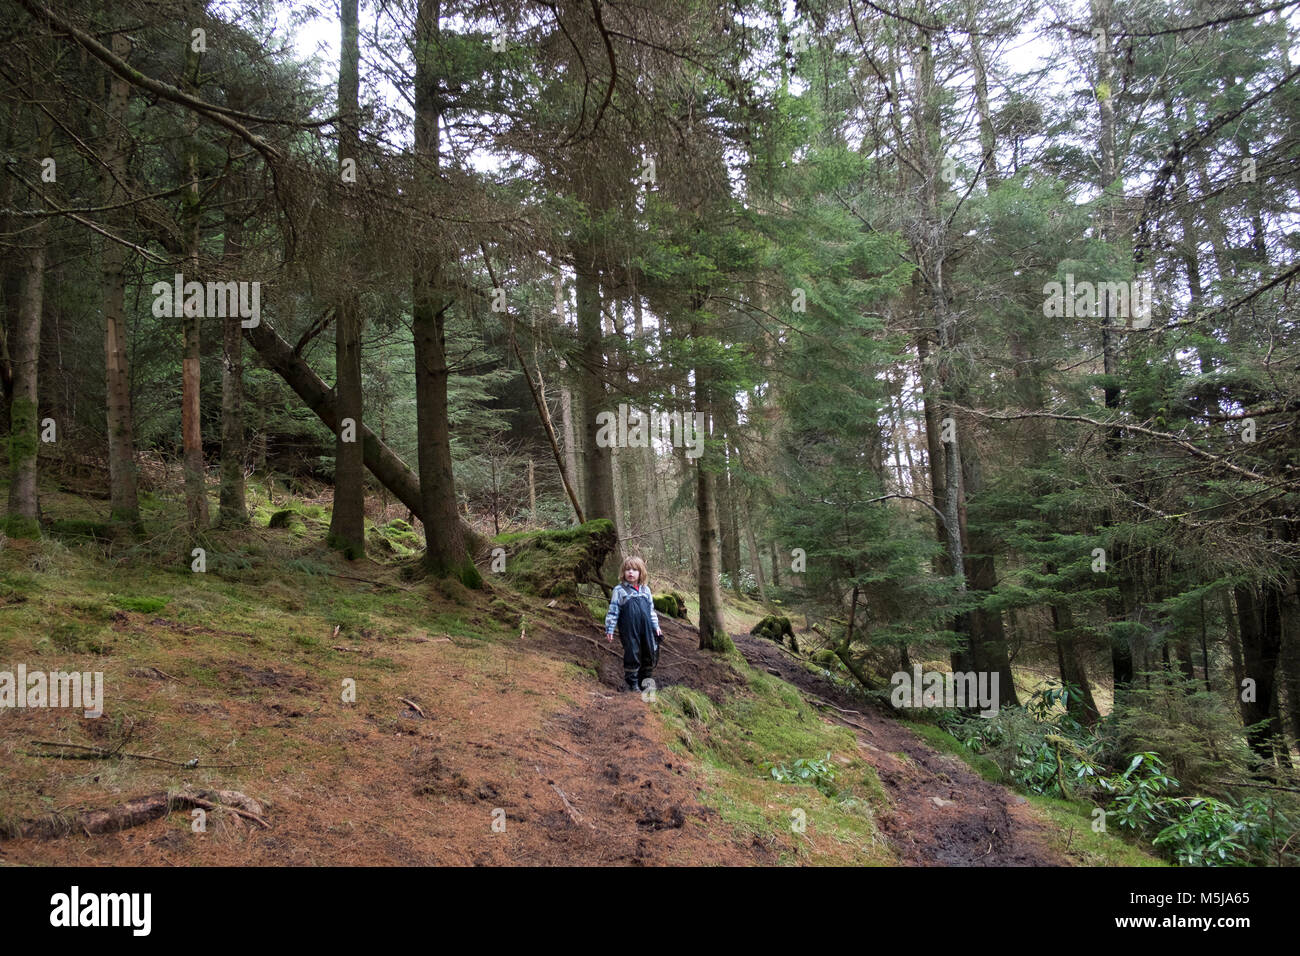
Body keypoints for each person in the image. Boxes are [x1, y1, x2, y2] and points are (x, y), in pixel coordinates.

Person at [604, 556, 663, 693]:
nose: (631, 572)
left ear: (641, 572)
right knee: (632, 653)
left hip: (646, 628)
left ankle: (646, 684)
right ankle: (633, 685)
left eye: (635, 570)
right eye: (627, 570)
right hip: (629, 629)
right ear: (623, 573)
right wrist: (610, 629)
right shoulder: (619, 590)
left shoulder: (645, 590)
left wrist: (656, 627)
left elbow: (651, 611)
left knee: (648, 652)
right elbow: (613, 611)